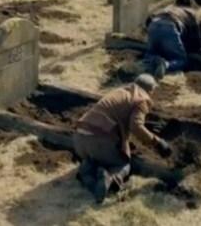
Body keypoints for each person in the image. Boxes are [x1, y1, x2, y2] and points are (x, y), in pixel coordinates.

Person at [73, 74, 173, 205]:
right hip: (100, 141)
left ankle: (87, 170)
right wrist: (157, 142)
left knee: (99, 159)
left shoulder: (119, 91)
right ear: (150, 89)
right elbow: (136, 126)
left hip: (79, 139)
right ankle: (110, 178)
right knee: (123, 165)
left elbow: (117, 119)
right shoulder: (142, 99)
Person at [143, 6, 201, 79]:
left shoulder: (168, 8)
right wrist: (198, 49)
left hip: (153, 24)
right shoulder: (190, 13)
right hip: (169, 27)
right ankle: (166, 65)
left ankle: (150, 62)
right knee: (181, 59)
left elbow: (149, 20)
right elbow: (195, 37)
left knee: (151, 53)